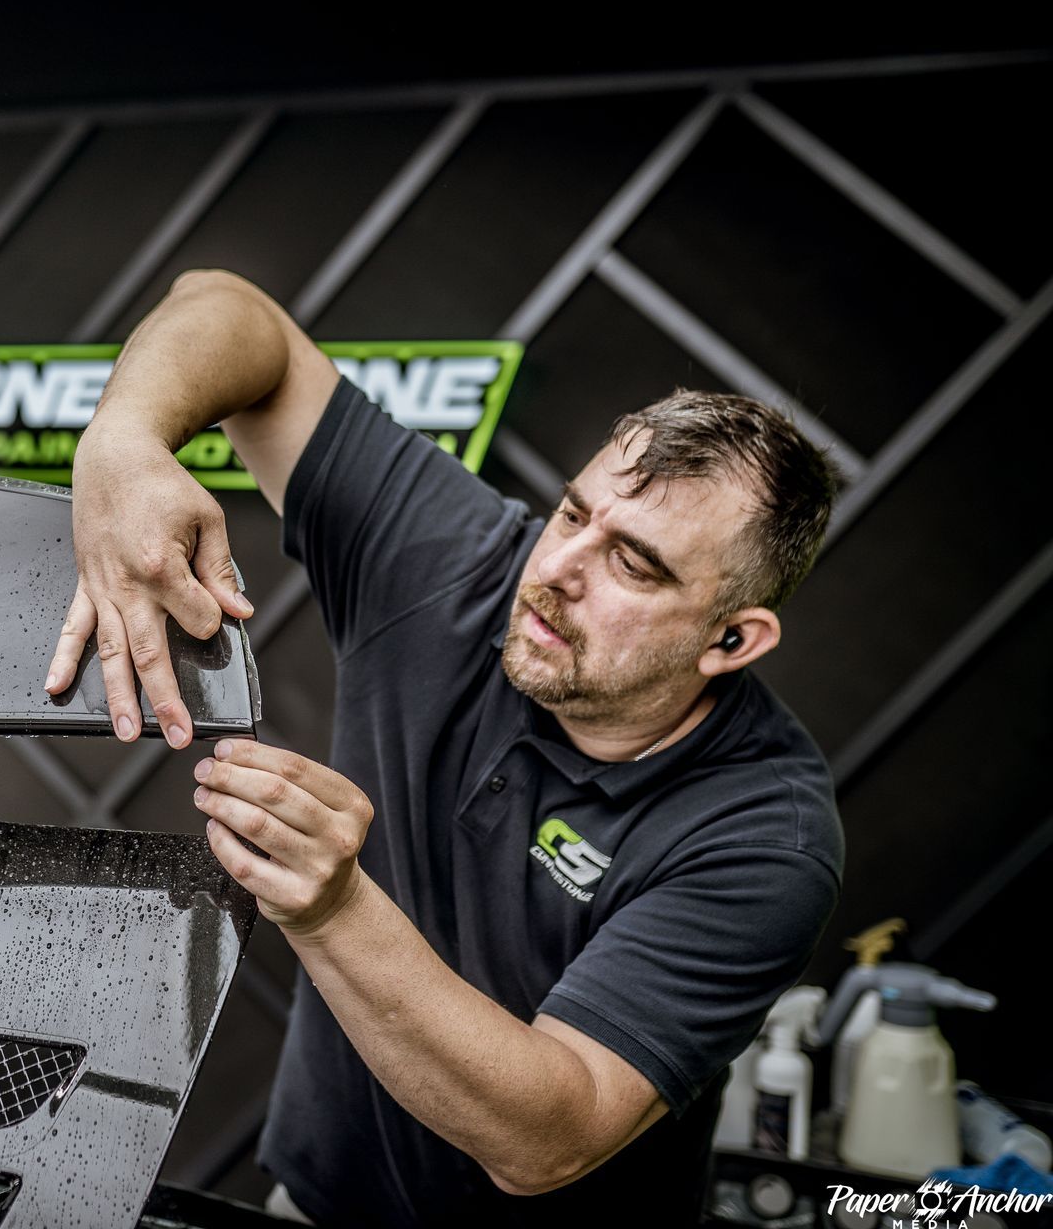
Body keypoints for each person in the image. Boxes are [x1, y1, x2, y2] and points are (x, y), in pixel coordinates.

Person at [43, 269, 843, 1226]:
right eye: (574, 513)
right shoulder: (458, 564)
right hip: (315, 1203)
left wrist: (335, 907)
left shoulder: (764, 837)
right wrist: (123, 440)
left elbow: (552, 1136)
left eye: (633, 563)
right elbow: (233, 314)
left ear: (732, 640)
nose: (556, 573)